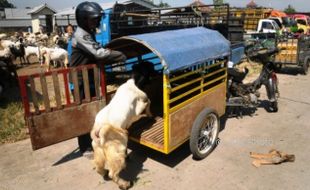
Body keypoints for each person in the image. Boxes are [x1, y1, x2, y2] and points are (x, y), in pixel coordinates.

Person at [70, 1, 126, 156]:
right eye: (93, 19)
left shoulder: (88, 33)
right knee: (83, 113)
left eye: (97, 19)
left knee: (95, 111)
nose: (97, 21)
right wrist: (121, 55)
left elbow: (97, 51)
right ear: (83, 19)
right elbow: (98, 54)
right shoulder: (81, 35)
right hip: (80, 81)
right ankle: (85, 147)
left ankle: (94, 140)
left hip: (90, 79)